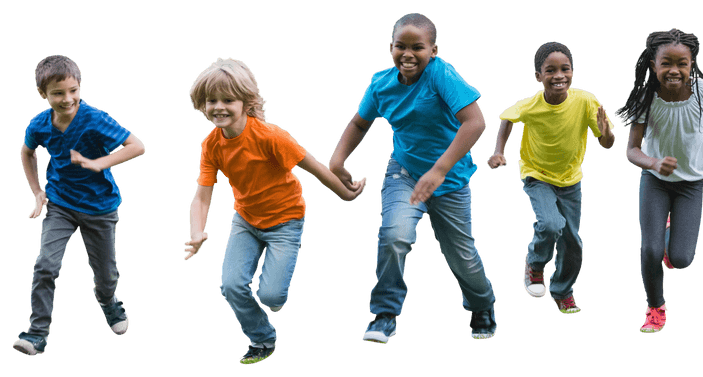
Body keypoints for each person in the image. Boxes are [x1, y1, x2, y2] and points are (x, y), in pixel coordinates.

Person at [327, 13, 498, 343]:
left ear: (433, 50)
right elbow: (358, 124)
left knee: (461, 254)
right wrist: (337, 160)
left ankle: (482, 305)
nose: (407, 54)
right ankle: (385, 313)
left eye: (417, 47)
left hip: (450, 180)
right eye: (400, 46)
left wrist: (439, 170)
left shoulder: (440, 75)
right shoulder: (381, 84)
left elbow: (475, 122)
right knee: (394, 236)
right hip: (404, 174)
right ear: (390, 48)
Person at [183, 58, 365, 364]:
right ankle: (262, 339)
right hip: (246, 221)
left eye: (228, 100)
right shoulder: (211, 145)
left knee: (271, 297)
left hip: (285, 221)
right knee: (231, 285)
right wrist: (197, 230)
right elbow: (202, 194)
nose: (218, 107)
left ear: (246, 102)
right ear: (201, 104)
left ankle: (275, 296)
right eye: (211, 100)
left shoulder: (271, 136)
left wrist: (344, 193)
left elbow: (314, 167)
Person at [13, 55, 146, 357]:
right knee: (45, 265)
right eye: (58, 93)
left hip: (99, 206)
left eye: (73, 90)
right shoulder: (38, 124)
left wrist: (99, 163)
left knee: (106, 274)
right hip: (60, 204)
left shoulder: (94, 119)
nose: (68, 98)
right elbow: (27, 153)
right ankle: (37, 332)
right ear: (43, 94)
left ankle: (109, 301)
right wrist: (37, 191)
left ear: (79, 87)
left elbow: (136, 146)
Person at [615, 29, 703, 333]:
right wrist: (654, 163)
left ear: (692, 63)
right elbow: (631, 150)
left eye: (682, 63)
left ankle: (670, 236)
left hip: (691, 183)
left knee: (680, 259)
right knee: (650, 251)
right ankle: (655, 308)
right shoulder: (646, 97)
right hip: (655, 180)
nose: (674, 70)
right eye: (667, 63)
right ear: (654, 65)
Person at [488, 41, 616, 315]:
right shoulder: (531, 104)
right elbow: (507, 119)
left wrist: (606, 132)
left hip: (570, 179)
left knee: (572, 242)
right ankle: (535, 265)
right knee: (550, 224)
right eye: (550, 70)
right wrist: (498, 152)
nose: (559, 76)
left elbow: (606, 144)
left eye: (565, 69)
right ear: (539, 76)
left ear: (572, 72)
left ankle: (563, 292)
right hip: (538, 174)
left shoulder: (585, 101)